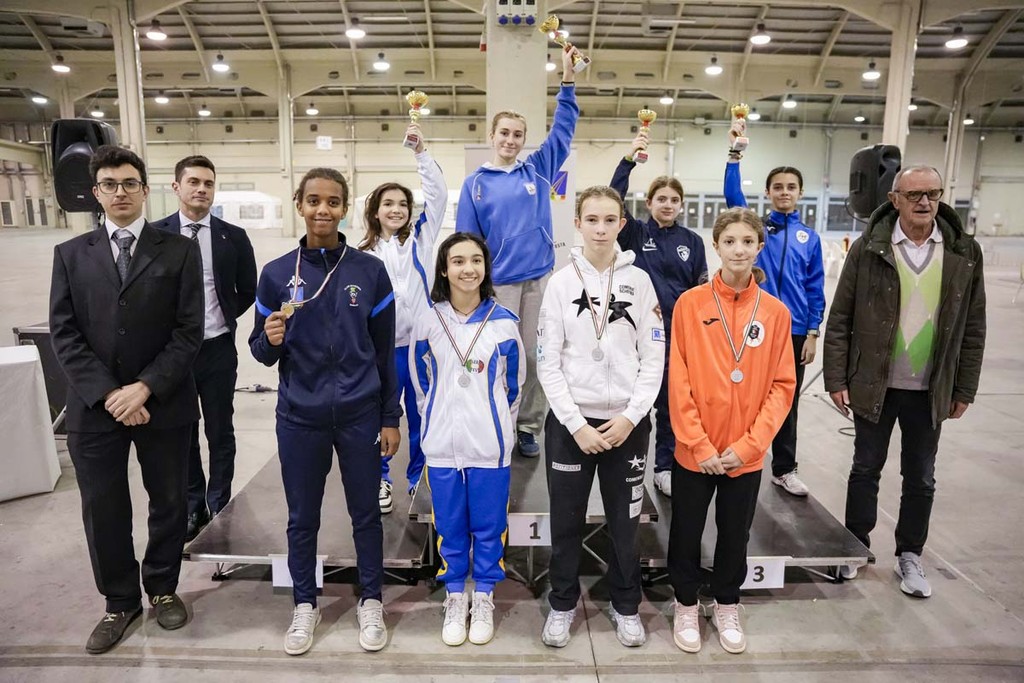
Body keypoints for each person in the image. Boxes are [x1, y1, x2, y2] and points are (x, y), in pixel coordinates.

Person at [48, 145, 204, 654]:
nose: (120, 192)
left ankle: (162, 588)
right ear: (96, 193)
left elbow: (189, 330)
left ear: (145, 189)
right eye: (110, 184)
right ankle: (119, 601)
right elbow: (64, 333)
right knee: (103, 507)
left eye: (129, 183)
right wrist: (110, 393)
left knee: (169, 501)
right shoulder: (71, 255)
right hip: (96, 407)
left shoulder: (178, 250)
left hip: (163, 401)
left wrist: (145, 387)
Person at [249, 167, 400, 655]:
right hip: (300, 416)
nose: (323, 209)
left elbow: (384, 353)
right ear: (299, 204)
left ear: (345, 208)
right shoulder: (276, 273)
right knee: (302, 517)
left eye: (333, 202)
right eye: (313, 200)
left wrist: (390, 417)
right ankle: (304, 604)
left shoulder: (369, 272)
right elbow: (260, 351)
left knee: (366, 514)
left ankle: (371, 599)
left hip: (359, 413)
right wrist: (269, 339)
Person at [823, 165, 986, 598]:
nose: (924, 202)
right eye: (914, 194)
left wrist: (964, 387)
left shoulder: (963, 252)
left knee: (921, 477)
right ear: (894, 199)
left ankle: (910, 555)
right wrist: (836, 377)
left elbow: (974, 326)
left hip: (931, 389)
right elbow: (840, 318)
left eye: (932, 193)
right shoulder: (869, 248)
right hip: (874, 383)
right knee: (865, 469)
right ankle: (855, 546)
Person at [536, 186, 664, 648]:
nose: (601, 228)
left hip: (626, 427)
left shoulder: (640, 281)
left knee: (625, 524)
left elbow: (654, 356)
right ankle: (562, 604)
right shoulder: (559, 283)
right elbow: (547, 362)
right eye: (592, 219)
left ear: (621, 224)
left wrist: (632, 416)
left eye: (610, 220)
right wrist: (575, 424)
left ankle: (626, 605)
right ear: (578, 223)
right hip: (572, 427)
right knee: (566, 522)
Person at [667, 208, 796, 655]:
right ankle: (686, 603)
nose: (738, 250)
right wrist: (697, 443)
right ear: (716, 245)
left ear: (759, 246)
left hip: (745, 453)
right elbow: (678, 377)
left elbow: (782, 386)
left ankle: (726, 602)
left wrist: (750, 446)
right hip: (695, 451)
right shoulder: (690, 304)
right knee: (686, 530)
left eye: (747, 241)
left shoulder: (776, 313)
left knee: (735, 533)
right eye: (729, 241)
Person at [456, 44, 580, 459]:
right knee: (499, 357)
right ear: (491, 136)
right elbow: (466, 244)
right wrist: (468, 290)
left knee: (537, 356)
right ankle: (498, 420)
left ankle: (527, 426)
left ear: (524, 140)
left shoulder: (538, 169)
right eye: (504, 133)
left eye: (517, 134)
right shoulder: (475, 184)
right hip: (498, 287)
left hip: (539, 281)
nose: (510, 140)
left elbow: (563, 129)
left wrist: (567, 80)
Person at [409, 233, 524, 647]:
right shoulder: (428, 321)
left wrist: (498, 429)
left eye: (476, 260)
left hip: (489, 447)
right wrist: (436, 424)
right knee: (450, 526)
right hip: (442, 447)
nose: (468, 268)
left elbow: (514, 388)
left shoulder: (504, 322)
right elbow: (421, 386)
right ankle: (456, 594)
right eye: (458, 261)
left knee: (489, 527)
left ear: (486, 268)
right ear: (444, 269)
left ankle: (485, 594)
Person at [153, 155, 257, 540]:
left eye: (208, 183)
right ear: (176, 187)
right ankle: (193, 504)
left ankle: (220, 503)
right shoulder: (155, 235)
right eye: (193, 182)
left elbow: (248, 289)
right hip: (174, 355)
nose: (201, 189)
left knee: (220, 431)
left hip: (217, 349)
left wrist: (221, 317)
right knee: (183, 432)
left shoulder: (233, 236)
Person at [723, 125, 825, 498]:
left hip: (794, 331)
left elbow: (815, 288)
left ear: (800, 193)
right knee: (743, 393)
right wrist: (734, 156)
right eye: (778, 187)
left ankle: (784, 468)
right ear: (768, 192)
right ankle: (735, 455)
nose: (784, 192)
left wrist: (812, 332)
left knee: (786, 402)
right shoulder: (757, 229)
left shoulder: (809, 238)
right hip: (755, 326)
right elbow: (733, 196)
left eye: (791, 187)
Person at [609, 130, 708, 497]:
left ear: (681, 205)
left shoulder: (692, 242)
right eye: (661, 198)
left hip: (677, 338)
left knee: (670, 407)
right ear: (648, 202)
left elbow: (700, 291)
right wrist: (628, 161)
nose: (668, 204)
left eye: (674, 200)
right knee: (633, 405)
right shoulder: (633, 233)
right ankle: (626, 464)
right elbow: (613, 199)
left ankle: (664, 467)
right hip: (635, 337)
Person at [359, 124, 447, 514]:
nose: (396, 209)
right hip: (380, 352)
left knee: (422, 414)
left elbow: (438, 196)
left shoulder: (420, 241)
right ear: (375, 211)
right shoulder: (361, 255)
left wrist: (421, 152)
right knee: (380, 416)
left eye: (402, 204)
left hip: (419, 348)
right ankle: (380, 477)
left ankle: (419, 477)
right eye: (388, 204)